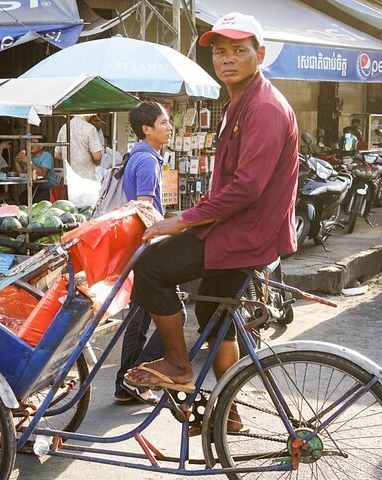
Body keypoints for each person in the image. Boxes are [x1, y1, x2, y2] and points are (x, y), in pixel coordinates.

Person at [123, 12, 298, 435]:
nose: (228, 60)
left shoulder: (265, 107)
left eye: (239, 50)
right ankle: (229, 412)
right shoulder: (241, 101)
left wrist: (182, 220)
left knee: (150, 267)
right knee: (215, 318)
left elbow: (246, 188)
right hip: (240, 230)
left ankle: (178, 364)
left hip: (244, 234)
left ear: (260, 54)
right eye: (220, 52)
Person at [114, 101, 173, 405]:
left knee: (139, 318)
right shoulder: (148, 161)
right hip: (149, 247)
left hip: (139, 246)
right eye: (163, 123)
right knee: (173, 315)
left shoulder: (136, 156)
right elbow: (144, 208)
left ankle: (125, 385)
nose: (169, 127)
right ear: (147, 129)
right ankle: (138, 375)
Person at [54, 115, 103, 181]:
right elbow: (97, 157)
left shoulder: (64, 127)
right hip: (87, 177)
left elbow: (56, 155)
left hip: (70, 178)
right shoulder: (90, 128)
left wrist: (71, 160)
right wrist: (97, 163)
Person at [13, 135, 57, 202]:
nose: (30, 145)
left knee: (34, 202)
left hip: (50, 189)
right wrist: (16, 161)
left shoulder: (47, 156)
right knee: (20, 199)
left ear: (41, 146)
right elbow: (22, 173)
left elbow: (42, 174)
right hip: (38, 188)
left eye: (34, 143)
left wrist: (29, 162)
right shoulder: (30, 156)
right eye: (30, 142)